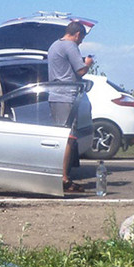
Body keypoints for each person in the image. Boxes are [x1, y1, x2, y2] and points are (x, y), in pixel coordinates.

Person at [47, 21, 94, 193]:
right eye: (81, 38)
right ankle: (63, 178)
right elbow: (81, 71)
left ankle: (60, 175)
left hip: (55, 95)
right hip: (66, 95)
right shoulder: (70, 46)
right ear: (77, 34)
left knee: (61, 135)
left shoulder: (54, 45)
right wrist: (88, 62)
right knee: (68, 138)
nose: (80, 42)